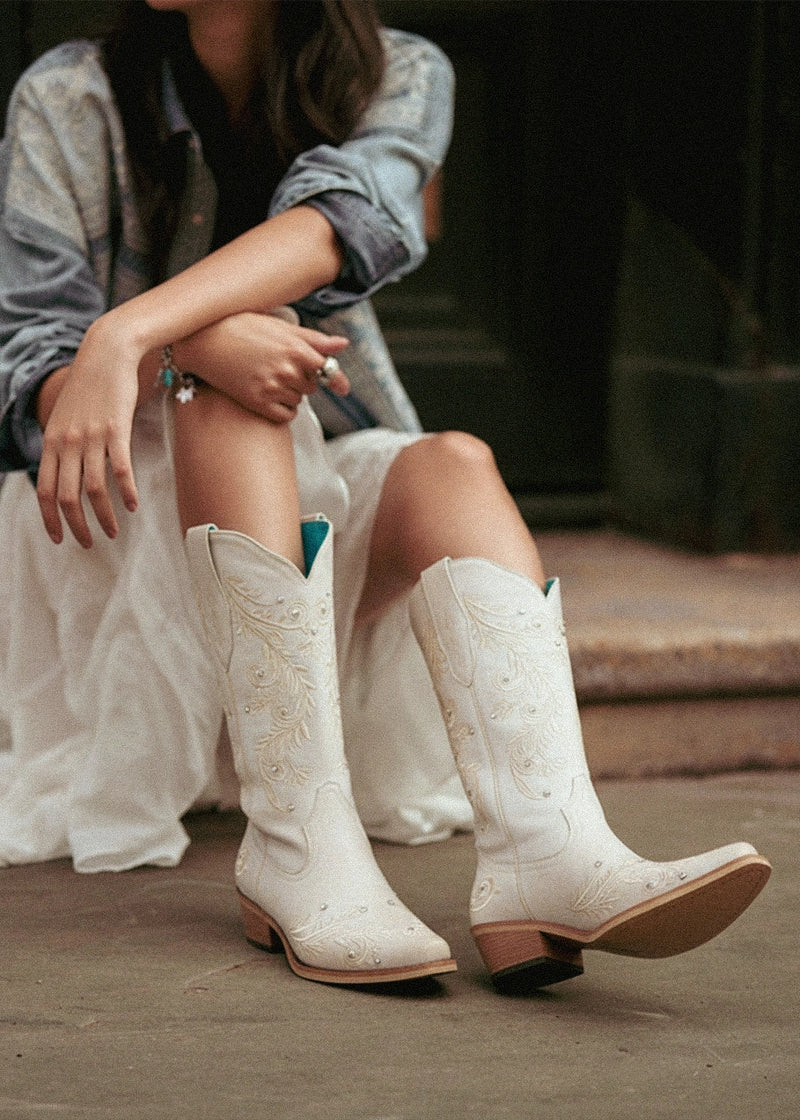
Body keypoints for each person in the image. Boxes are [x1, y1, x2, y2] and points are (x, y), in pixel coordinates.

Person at [0, 0, 770, 989]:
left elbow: (343, 228)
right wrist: (176, 352)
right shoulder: (67, 97)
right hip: (104, 526)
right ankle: (295, 849)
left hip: (294, 496)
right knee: (229, 394)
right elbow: (26, 368)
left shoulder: (400, 75)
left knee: (452, 463)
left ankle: (547, 851)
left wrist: (134, 329)